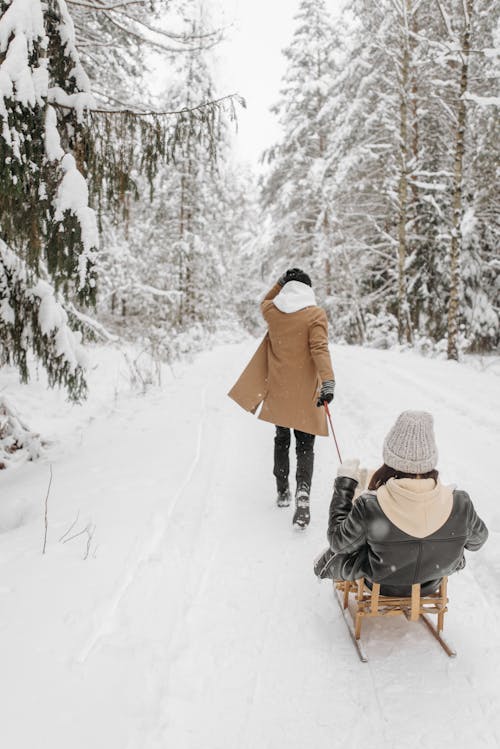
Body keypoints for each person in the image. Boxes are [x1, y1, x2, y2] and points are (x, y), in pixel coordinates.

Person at [315, 410, 488, 593]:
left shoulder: (370, 506)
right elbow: (478, 541)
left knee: (355, 548)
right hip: (430, 585)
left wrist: (344, 485)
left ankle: (324, 566)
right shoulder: (460, 503)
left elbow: (338, 543)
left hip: (381, 586)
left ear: (389, 460)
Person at [228, 268, 335, 529]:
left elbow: (265, 300)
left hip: (279, 391)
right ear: (308, 291)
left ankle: (283, 490)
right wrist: (328, 382)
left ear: (287, 290)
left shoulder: (273, 314)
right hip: (306, 393)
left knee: (282, 439)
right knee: (305, 445)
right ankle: (303, 493)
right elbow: (320, 348)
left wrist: (280, 282)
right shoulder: (315, 315)